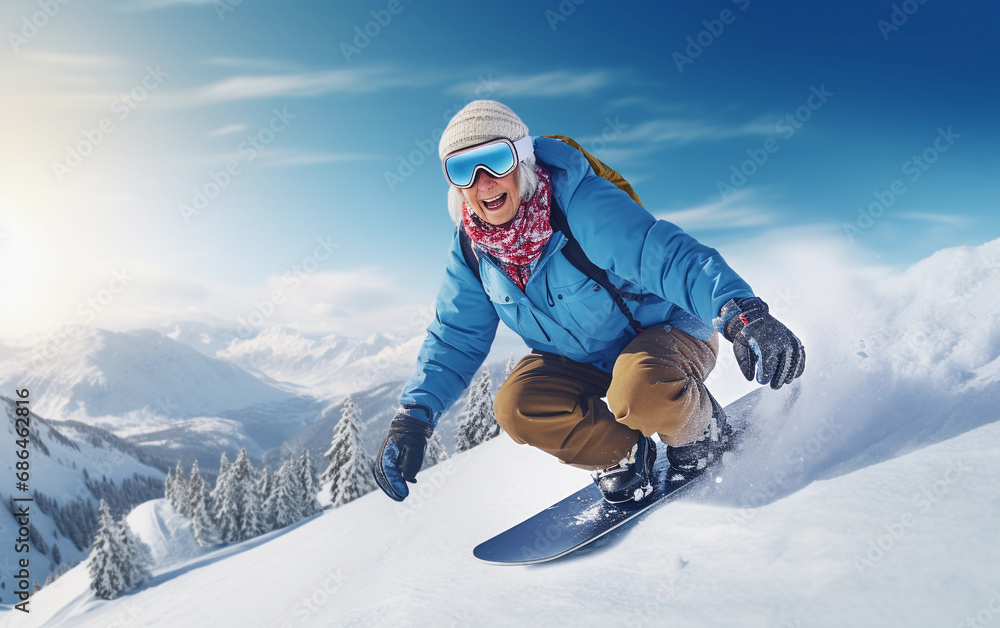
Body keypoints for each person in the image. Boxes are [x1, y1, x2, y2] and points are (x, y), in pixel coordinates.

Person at [373, 100, 805, 505]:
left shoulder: (578, 204)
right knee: (517, 405)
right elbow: (455, 336)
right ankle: (623, 453)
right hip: (584, 359)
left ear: (521, 159)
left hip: (666, 335)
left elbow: (665, 256)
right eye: (462, 169)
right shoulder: (473, 251)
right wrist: (414, 416)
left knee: (639, 390)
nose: (482, 181)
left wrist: (740, 312)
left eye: (496, 160)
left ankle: (701, 432)